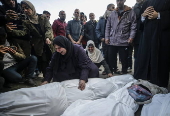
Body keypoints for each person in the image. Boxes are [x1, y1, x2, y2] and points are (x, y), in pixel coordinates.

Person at [6, 0, 54, 79]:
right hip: (38, 46)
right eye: (23, 8)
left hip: (48, 43)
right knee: (43, 63)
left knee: (52, 59)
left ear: (32, 8)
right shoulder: (26, 22)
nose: (25, 10)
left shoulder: (43, 17)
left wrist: (48, 37)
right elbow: (24, 32)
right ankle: (46, 79)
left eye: (27, 8)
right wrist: (11, 31)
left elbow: (49, 28)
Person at [134, 0, 170, 87]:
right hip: (146, 39)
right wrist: (143, 15)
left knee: (159, 60)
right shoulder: (147, 2)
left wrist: (158, 15)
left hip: (162, 38)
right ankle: (142, 84)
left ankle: (159, 86)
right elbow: (140, 24)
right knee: (144, 59)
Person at [105, 0, 137, 74]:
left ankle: (124, 73)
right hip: (112, 41)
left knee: (124, 60)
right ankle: (111, 73)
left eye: (121, 0)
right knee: (111, 59)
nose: (119, 2)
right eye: (117, 0)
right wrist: (107, 37)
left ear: (124, 1)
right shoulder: (113, 13)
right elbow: (108, 26)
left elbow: (133, 26)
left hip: (124, 41)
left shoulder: (131, 12)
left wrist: (131, 37)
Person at [96, 3, 115, 75]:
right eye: (112, 8)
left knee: (112, 55)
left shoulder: (115, 18)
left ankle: (112, 69)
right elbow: (97, 30)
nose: (114, 9)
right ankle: (106, 70)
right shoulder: (101, 20)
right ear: (108, 9)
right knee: (106, 55)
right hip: (104, 41)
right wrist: (101, 38)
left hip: (113, 41)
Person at [133, 0, 146, 72]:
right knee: (137, 56)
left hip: (146, 34)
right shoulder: (135, 8)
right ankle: (137, 72)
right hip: (138, 35)